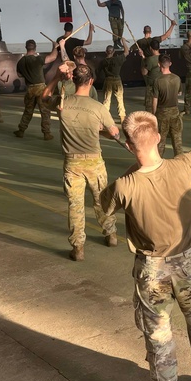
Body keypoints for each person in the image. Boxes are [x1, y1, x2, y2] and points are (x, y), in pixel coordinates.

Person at [100, 87, 191, 381]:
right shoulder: (183, 167)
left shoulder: (125, 185)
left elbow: (104, 212)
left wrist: (132, 169)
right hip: (188, 261)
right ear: (158, 138)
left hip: (152, 269)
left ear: (129, 145)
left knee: (159, 337)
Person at [42, 61, 119, 261]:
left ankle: (78, 248)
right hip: (95, 162)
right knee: (102, 201)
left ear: (74, 80)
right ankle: (110, 235)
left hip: (72, 164)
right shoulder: (98, 107)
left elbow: (43, 98)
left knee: (75, 205)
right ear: (91, 82)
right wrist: (98, 131)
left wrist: (57, 78)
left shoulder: (62, 103)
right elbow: (114, 132)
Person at [13, 39, 53, 140]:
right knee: (45, 111)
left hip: (30, 89)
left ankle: (21, 130)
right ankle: (46, 133)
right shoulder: (38, 59)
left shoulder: (21, 62)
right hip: (41, 88)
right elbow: (53, 57)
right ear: (35, 47)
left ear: (26, 47)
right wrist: (55, 46)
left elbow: (19, 74)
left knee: (28, 111)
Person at [152, 55, 183, 157]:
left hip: (162, 113)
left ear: (159, 65)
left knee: (160, 141)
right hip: (175, 112)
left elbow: (155, 99)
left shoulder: (158, 80)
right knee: (177, 141)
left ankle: (158, 162)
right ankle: (180, 163)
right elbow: (179, 93)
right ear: (170, 64)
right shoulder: (177, 78)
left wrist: (154, 114)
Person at [100, 38, 130, 121]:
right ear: (113, 52)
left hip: (108, 80)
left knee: (106, 100)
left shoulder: (103, 61)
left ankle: (105, 118)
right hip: (117, 80)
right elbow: (126, 52)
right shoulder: (117, 59)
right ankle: (122, 118)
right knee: (120, 99)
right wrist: (123, 41)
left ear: (106, 52)